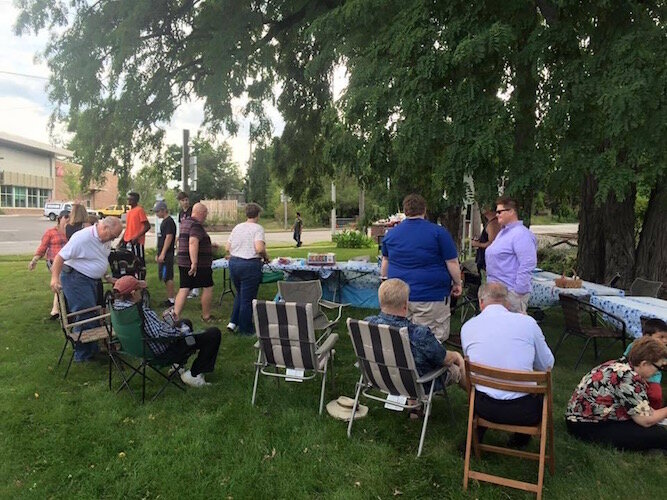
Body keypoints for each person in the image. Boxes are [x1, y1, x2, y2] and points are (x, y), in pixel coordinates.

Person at [461, 282, 555, 446]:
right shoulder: (528, 324)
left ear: (481, 302)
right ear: (507, 302)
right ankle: (520, 440)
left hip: (482, 407)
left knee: (484, 384)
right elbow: (547, 364)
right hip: (524, 412)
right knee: (539, 396)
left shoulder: (468, 327)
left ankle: (473, 440)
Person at [112, 275, 221, 387]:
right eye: (140, 290)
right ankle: (194, 374)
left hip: (139, 348)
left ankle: (177, 368)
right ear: (133, 293)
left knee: (185, 321)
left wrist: (170, 323)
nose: (142, 292)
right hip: (162, 352)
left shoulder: (118, 309)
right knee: (213, 334)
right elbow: (160, 335)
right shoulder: (140, 313)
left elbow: (153, 330)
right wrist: (182, 332)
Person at [380, 193, 462, 342]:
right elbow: (452, 262)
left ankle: (405, 363)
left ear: (405, 211)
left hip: (399, 296)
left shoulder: (391, 235)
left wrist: (384, 282)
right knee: (430, 339)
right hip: (430, 295)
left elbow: (385, 261)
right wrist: (457, 283)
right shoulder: (439, 233)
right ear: (424, 210)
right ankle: (425, 364)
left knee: (401, 337)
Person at [565, 335, 667, 451]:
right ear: (644, 364)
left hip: (578, 420)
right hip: (589, 426)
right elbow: (645, 420)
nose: (657, 372)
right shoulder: (628, 377)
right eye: (658, 368)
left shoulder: (618, 365)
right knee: (659, 435)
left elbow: (640, 407)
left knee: (654, 430)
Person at [365, 279, 466, 395]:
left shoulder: (368, 324)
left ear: (380, 301)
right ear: (405, 305)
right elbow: (444, 359)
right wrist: (457, 356)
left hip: (380, 378)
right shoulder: (418, 334)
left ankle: (414, 407)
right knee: (455, 365)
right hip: (417, 384)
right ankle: (477, 402)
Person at [50, 217, 123, 361]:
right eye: (113, 236)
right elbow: (60, 257)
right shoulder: (82, 237)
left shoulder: (105, 239)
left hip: (91, 280)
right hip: (76, 278)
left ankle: (92, 349)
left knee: (93, 313)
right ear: (105, 228)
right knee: (85, 313)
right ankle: (83, 355)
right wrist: (54, 278)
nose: (113, 240)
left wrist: (107, 277)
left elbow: (99, 258)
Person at [485, 196, 537, 314]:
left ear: (511, 211)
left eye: (499, 212)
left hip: (510, 293)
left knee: (513, 328)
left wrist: (518, 291)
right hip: (496, 292)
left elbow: (528, 263)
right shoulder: (503, 232)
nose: (497, 215)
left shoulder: (521, 234)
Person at [225, 202, 268, 335]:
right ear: (258, 214)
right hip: (249, 264)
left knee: (241, 294)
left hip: (234, 263)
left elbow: (227, 247)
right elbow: (259, 248)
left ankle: (233, 322)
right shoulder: (257, 228)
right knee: (247, 299)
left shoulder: (238, 227)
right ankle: (246, 330)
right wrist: (266, 257)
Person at [174, 203, 218, 323]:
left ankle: (175, 316)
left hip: (183, 261)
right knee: (208, 287)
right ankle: (206, 316)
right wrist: (194, 263)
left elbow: (187, 240)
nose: (206, 216)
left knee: (184, 287)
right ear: (201, 213)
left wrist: (209, 245)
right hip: (198, 264)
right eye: (205, 213)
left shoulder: (185, 222)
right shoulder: (196, 224)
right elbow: (193, 242)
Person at [29, 209, 69, 320]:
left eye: (69, 217)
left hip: (68, 263)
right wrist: (34, 260)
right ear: (59, 219)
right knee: (60, 282)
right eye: (65, 217)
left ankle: (59, 309)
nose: (67, 220)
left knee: (63, 284)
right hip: (53, 262)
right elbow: (43, 247)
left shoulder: (70, 232)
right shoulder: (51, 232)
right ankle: (56, 310)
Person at [621, 318, 667, 410]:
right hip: (634, 377)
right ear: (647, 336)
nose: (665, 340)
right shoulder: (635, 345)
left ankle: (654, 412)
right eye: (661, 337)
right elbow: (625, 359)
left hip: (653, 379)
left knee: (655, 395)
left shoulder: (663, 350)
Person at [117, 192, 150, 279]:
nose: (129, 201)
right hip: (128, 240)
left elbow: (147, 226)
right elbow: (128, 228)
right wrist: (121, 241)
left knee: (139, 261)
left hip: (137, 242)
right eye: (128, 199)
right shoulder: (129, 212)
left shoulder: (139, 210)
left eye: (131, 199)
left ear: (136, 200)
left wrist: (137, 236)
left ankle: (141, 280)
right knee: (127, 261)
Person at [154, 200, 177, 307]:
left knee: (168, 276)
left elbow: (169, 237)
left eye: (157, 211)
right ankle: (169, 297)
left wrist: (163, 253)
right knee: (164, 276)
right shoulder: (164, 221)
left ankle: (171, 300)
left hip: (167, 254)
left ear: (163, 210)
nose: (156, 214)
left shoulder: (169, 222)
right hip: (163, 252)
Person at [177, 191, 198, 299]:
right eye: (183, 200)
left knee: (193, 261)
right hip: (184, 239)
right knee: (186, 263)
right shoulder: (181, 213)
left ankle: (195, 288)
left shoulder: (191, 211)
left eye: (186, 200)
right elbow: (180, 226)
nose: (185, 202)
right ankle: (189, 287)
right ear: (180, 202)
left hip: (192, 237)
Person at [471, 208, 500, 275]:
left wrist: (478, 244)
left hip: (488, 263)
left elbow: (492, 243)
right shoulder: (491, 222)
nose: (482, 208)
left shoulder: (493, 223)